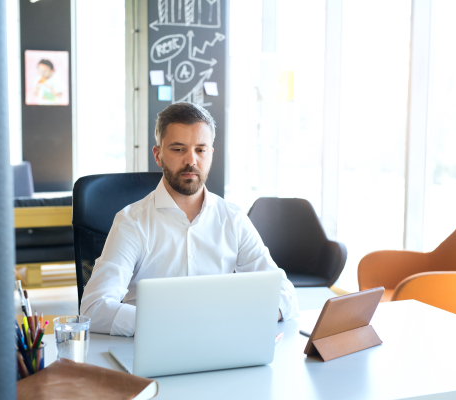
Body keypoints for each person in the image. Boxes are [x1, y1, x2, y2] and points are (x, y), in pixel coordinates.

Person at [80, 102, 299, 336]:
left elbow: (284, 293)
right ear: (158, 155)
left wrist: (246, 317)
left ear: (210, 155)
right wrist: (174, 324)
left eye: (200, 150)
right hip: (151, 348)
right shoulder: (131, 223)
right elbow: (93, 309)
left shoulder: (232, 218)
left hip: (219, 346)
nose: (191, 160)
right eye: (177, 149)